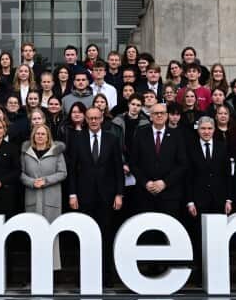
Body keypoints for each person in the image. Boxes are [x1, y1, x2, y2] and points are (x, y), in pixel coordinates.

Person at [68, 107, 125, 283]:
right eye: (90, 118)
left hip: (107, 196)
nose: (93, 121)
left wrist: (119, 194)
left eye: (96, 118)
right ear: (85, 119)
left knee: (106, 235)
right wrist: (72, 194)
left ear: (102, 119)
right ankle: (86, 275)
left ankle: (106, 276)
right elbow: (72, 170)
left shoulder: (112, 139)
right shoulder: (77, 139)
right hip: (84, 196)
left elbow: (118, 169)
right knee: (86, 236)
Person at [185, 115, 233, 273]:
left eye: (209, 128)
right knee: (199, 237)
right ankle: (200, 272)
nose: (206, 132)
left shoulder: (222, 147)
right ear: (198, 130)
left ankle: (217, 271)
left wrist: (228, 199)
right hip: (198, 201)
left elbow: (227, 175)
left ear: (214, 130)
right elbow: (188, 176)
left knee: (217, 238)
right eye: (203, 128)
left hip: (219, 199)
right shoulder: (190, 147)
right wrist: (190, 201)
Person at [21, 124, 68, 269]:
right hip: (32, 197)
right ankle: (34, 268)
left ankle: (52, 268)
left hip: (51, 199)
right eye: (37, 134)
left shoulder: (56, 152)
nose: (40, 136)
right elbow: (21, 173)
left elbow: (63, 173)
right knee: (33, 233)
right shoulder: (26, 152)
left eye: (43, 134)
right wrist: (31, 182)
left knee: (51, 232)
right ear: (33, 136)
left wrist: (46, 180)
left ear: (48, 136)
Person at [129, 102, 188, 217]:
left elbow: (182, 164)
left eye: (162, 113)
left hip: (169, 194)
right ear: (150, 116)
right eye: (156, 113)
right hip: (145, 194)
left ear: (166, 116)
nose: (159, 116)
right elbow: (133, 163)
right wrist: (145, 182)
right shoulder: (140, 133)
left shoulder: (177, 136)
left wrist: (165, 183)